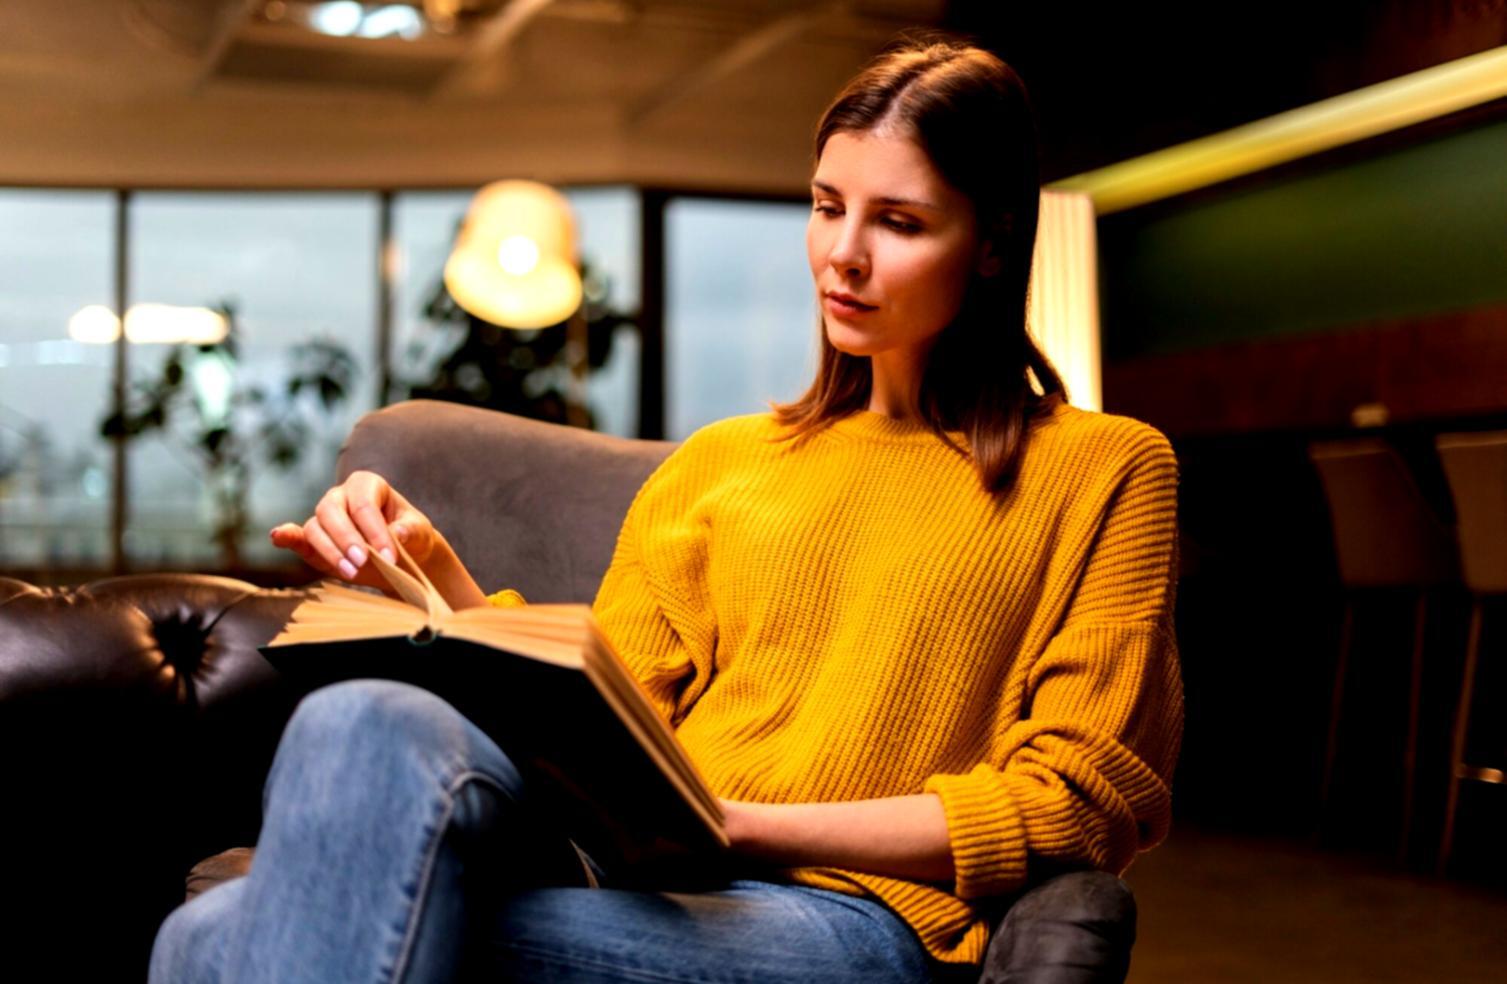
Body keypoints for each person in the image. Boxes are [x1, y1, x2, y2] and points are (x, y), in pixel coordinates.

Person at [150, 32, 1183, 984]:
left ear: (994, 243)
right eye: (827, 207)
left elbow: (1079, 805)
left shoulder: (1102, 468)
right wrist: (438, 578)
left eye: (898, 222)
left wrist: (746, 828)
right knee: (361, 714)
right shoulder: (721, 462)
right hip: (648, 881)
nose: (843, 255)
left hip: (854, 923)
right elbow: (608, 713)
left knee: (214, 943)